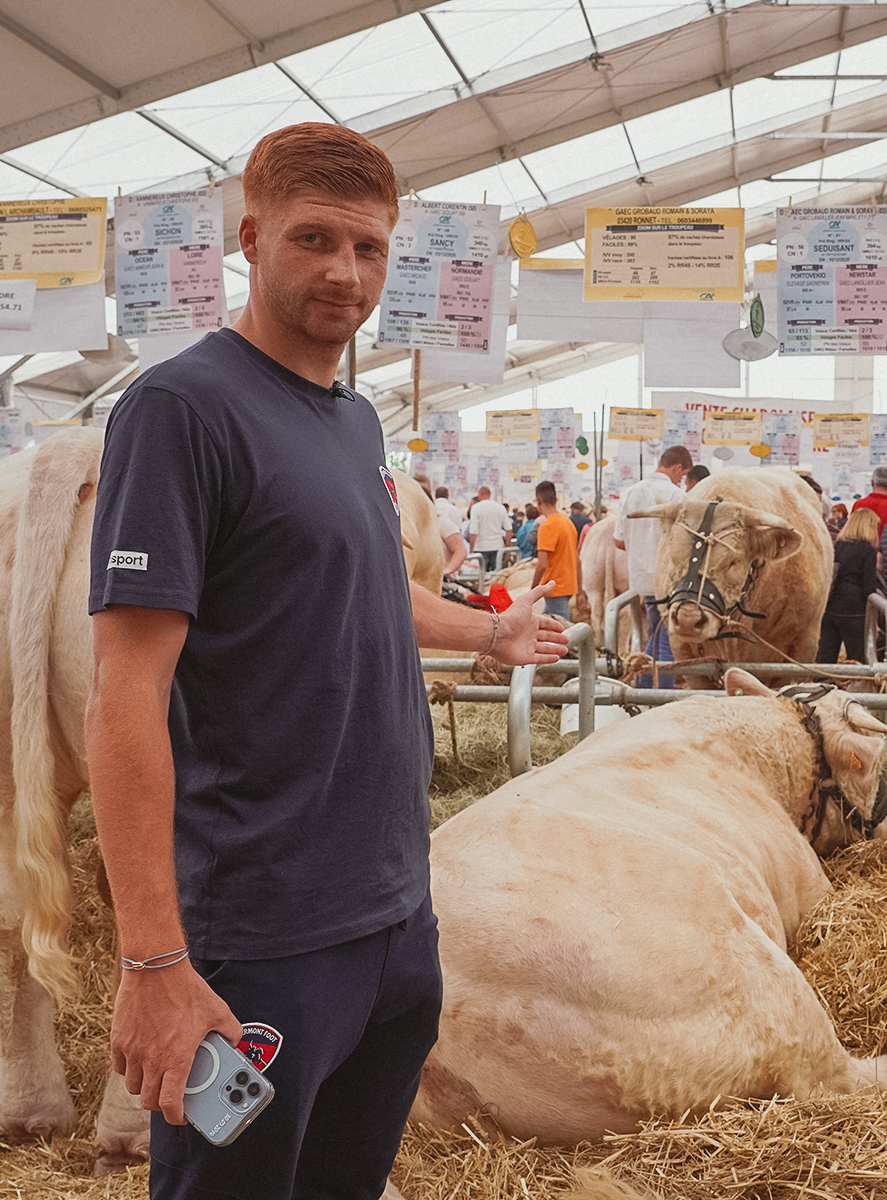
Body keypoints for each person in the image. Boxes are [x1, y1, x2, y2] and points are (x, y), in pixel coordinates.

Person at [83, 123, 567, 1200]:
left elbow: (356, 588)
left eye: (369, 249)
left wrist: (483, 632)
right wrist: (156, 963)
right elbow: (124, 695)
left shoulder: (351, 423)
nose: (345, 273)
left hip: (393, 920)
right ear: (250, 240)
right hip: (258, 936)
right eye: (313, 239)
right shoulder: (181, 410)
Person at [616, 446, 691, 660]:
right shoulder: (677, 495)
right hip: (668, 581)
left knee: (655, 634)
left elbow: (618, 541)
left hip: (642, 580)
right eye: (682, 476)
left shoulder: (630, 493)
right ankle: (662, 692)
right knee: (668, 640)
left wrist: (640, 546)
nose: (681, 482)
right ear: (677, 468)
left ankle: (646, 688)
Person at [818, 508, 882, 664]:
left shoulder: (837, 546)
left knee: (825, 657)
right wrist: (874, 619)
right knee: (857, 659)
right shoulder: (867, 550)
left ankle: (821, 685)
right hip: (854, 609)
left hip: (831, 605)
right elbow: (869, 587)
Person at [531, 480, 580, 621]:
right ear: (556, 500)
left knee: (561, 632)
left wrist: (532, 592)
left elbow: (542, 565)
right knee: (549, 622)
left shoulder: (547, 527)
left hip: (554, 588)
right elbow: (577, 559)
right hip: (569, 586)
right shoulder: (567, 523)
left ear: (538, 500)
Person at [467, 485, 511, 573]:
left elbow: (473, 532)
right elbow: (509, 530)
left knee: (481, 577)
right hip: (497, 546)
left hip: (480, 547)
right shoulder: (500, 507)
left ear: (480, 494)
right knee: (497, 576)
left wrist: (471, 551)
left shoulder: (476, 508)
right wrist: (507, 548)